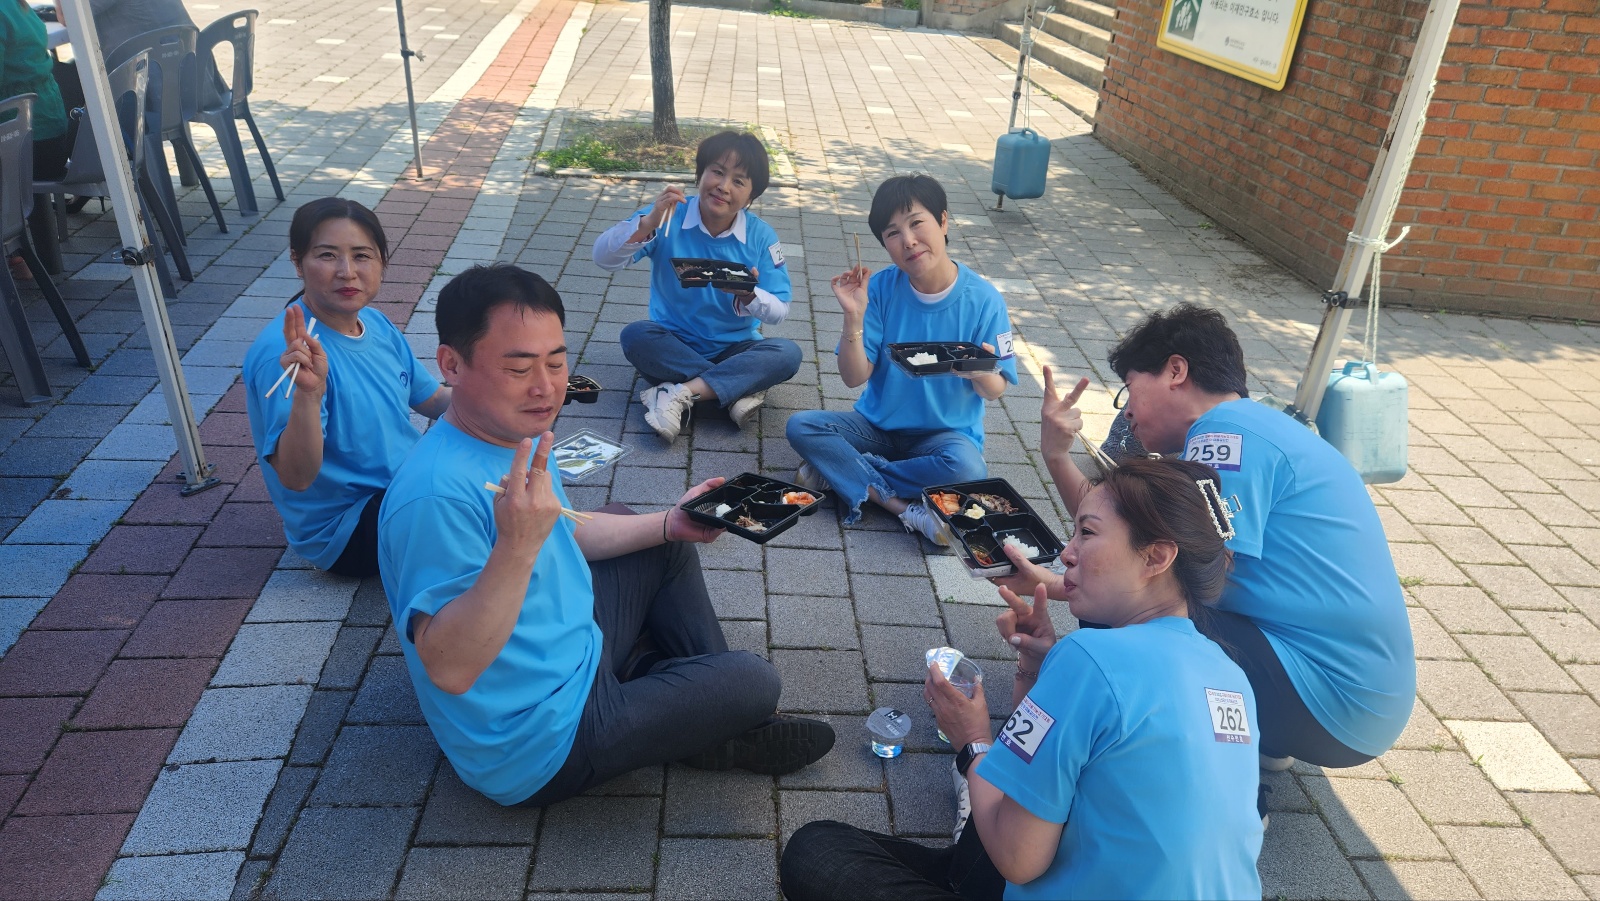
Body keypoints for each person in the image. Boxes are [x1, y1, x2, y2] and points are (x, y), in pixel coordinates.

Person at [378, 264, 834, 808]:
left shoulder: (510, 434)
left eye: (555, 362)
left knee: (659, 541)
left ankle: (684, 701)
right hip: (541, 743)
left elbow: (565, 534)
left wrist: (670, 522)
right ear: (451, 364)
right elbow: (449, 667)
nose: (546, 387)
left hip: (570, 653)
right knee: (754, 682)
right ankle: (717, 722)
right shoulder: (435, 498)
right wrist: (518, 545)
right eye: (519, 368)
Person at [781, 458, 1263, 900]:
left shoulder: (1092, 658)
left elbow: (1018, 858)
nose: (1067, 553)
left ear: (1155, 558)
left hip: (1029, 868)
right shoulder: (1231, 676)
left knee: (816, 851)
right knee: (990, 816)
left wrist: (971, 741)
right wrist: (1036, 670)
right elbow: (1037, 772)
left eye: (1087, 533)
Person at [1004, 302, 1415, 773]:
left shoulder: (1225, 435)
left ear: (1176, 371)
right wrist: (1057, 456)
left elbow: (1163, 569)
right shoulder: (1262, 425)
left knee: (1111, 608)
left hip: (1330, 703)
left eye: (1129, 388)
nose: (1128, 412)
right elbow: (1123, 532)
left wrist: (1058, 585)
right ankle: (1254, 730)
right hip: (1360, 701)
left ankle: (1202, 779)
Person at [784, 174, 1017, 545]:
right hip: (877, 429)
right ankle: (902, 508)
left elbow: (995, 390)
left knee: (967, 469)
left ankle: (841, 470)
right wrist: (853, 316)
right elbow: (853, 377)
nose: (908, 240)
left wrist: (979, 369)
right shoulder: (879, 288)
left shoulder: (985, 300)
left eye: (917, 223)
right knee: (802, 426)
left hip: (944, 439)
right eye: (893, 233)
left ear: (943, 221)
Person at [243, 198, 450, 577]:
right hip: (348, 527)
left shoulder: (375, 322)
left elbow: (433, 399)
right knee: (493, 518)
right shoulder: (288, 355)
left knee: (502, 463)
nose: (347, 272)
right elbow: (296, 477)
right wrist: (309, 394)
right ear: (297, 262)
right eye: (327, 255)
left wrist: (505, 397)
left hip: (403, 487)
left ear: (382, 261)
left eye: (362, 256)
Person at [592, 130, 799, 443]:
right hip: (672, 344)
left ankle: (678, 393)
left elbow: (779, 310)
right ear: (700, 174)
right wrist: (648, 223)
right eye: (717, 171)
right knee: (635, 336)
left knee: (788, 353)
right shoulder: (667, 215)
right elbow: (603, 258)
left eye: (739, 181)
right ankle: (736, 388)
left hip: (736, 349)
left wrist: (750, 294)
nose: (723, 186)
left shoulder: (761, 236)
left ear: (751, 196)